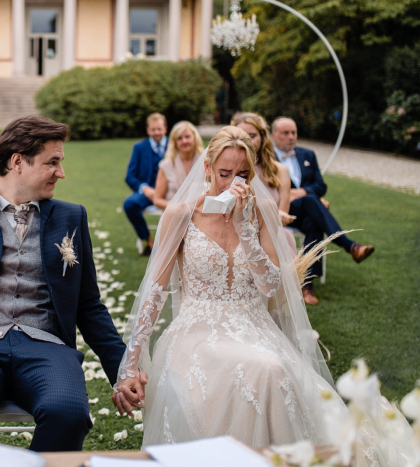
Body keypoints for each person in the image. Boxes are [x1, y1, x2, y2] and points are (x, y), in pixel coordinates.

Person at [111, 127, 414, 461]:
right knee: (264, 371)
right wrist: (130, 362)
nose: (232, 183)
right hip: (196, 332)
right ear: (208, 168)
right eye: (224, 173)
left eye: (242, 174)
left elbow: (273, 287)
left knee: (271, 369)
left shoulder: (262, 212)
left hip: (254, 326)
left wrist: (245, 228)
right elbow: (154, 291)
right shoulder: (181, 213)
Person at [0, 115, 129, 451]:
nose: (61, 172)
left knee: (70, 412)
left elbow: (89, 305)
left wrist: (123, 369)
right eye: (53, 162)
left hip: (47, 346)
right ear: (17, 161)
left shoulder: (72, 216)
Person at [271, 117, 374, 305]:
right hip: (282, 211)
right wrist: (294, 194)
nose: (291, 137)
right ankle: (349, 245)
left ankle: (306, 284)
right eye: (285, 133)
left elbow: (320, 185)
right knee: (312, 202)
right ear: (273, 135)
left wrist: (301, 192)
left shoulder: (307, 155)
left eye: (294, 133)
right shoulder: (267, 156)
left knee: (313, 221)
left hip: (305, 212)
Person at [232, 112, 296, 255]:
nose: (247, 141)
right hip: (237, 234)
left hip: (274, 232)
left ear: (262, 137)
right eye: (241, 136)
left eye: (252, 136)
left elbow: (283, 217)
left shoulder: (280, 170)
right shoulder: (229, 172)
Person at [124, 113, 169, 256]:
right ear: (148, 130)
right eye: (153, 129)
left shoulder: (174, 145)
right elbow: (130, 176)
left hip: (170, 191)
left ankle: (173, 244)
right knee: (129, 204)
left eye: (159, 129)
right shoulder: (139, 147)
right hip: (147, 191)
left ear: (165, 129)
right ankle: (150, 242)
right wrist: (145, 189)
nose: (157, 132)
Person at [152, 121, 204, 210]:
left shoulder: (206, 162)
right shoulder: (166, 165)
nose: (184, 141)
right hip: (175, 215)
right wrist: (176, 206)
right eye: (179, 138)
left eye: (187, 137)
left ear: (195, 138)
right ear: (175, 142)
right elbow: (157, 200)